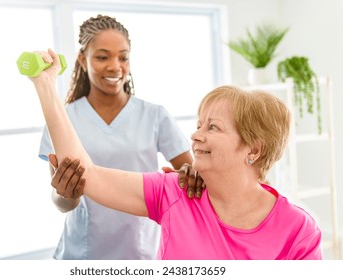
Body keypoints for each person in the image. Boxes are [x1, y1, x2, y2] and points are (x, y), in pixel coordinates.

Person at [29, 48, 322, 259]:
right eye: (198, 125)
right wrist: (45, 86)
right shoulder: (173, 193)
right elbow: (88, 175)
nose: (195, 135)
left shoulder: (297, 228)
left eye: (214, 128)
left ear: (254, 149)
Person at [37, 15, 194, 260]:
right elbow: (63, 204)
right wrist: (66, 194)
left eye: (123, 57)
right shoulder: (62, 119)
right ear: (83, 60)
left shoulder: (154, 116)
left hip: (142, 253)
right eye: (102, 56)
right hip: (82, 254)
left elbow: (194, 177)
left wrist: (187, 178)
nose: (115, 66)